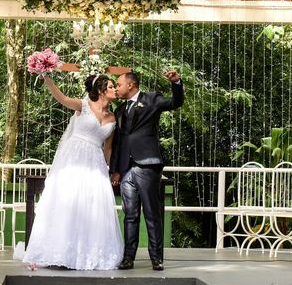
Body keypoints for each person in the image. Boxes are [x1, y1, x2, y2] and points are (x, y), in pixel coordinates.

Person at [20, 74, 124, 270]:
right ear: (101, 90)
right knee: (70, 201)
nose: (115, 90)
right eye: (111, 86)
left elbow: (107, 148)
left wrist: (112, 171)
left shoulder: (113, 118)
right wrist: (47, 78)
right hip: (74, 158)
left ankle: (86, 254)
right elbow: (62, 97)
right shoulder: (83, 105)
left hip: (96, 163)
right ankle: (60, 252)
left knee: (93, 205)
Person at [110, 70, 184, 271]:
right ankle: (128, 258)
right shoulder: (119, 110)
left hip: (148, 164)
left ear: (130, 85)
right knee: (130, 215)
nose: (117, 88)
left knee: (152, 214)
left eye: (119, 84)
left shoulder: (151, 99)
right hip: (126, 169)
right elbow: (117, 143)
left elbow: (175, 103)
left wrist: (176, 83)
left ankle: (156, 258)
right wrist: (115, 170)